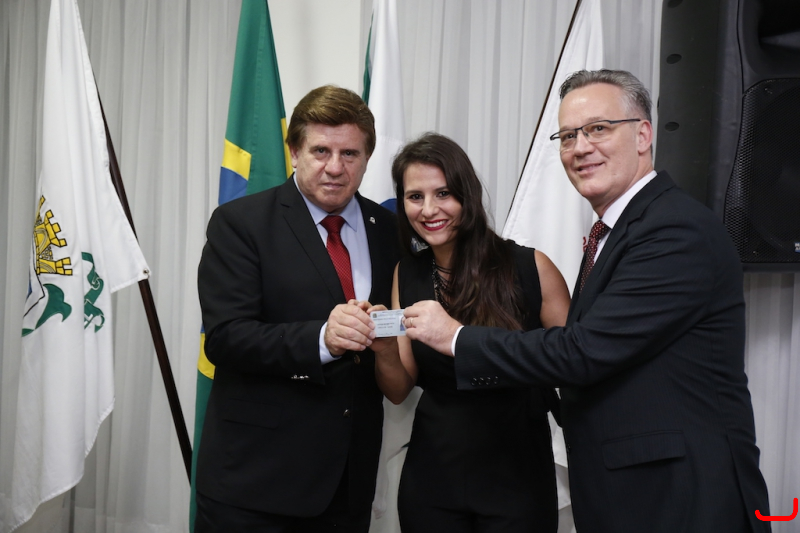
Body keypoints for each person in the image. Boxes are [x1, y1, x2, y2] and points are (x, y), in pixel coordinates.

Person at [401, 70, 771, 532]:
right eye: (568, 136)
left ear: (643, 135)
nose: (580, 147)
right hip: (630, 492)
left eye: (598, 128)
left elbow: (583, 351)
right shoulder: (616, 232)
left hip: (680, 495)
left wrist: (456, 337)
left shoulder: (673, 228)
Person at [195, 85, 401, 532]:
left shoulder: (389, 229)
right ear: (294, 151)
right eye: (321, 151)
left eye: (350, 154)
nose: (335, 167)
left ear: (367, 158)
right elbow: (226, 338)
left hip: (348, 484)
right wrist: (321, 339)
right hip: (255, 485)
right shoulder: (241, 223)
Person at [369, 133, 570, 532]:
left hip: (518, 475)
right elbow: (398, 390)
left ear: (468, 195)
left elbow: (574, 361)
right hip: (433, 476)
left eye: (443, 193)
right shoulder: (406, 273)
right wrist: (385, 348)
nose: (429, 209)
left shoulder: (532, 267)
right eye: (415, 196)